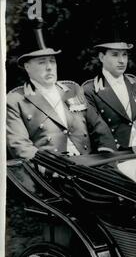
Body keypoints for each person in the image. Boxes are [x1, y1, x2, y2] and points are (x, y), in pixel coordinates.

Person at [7, 19, 116, 160]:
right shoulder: (16, 100)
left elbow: (99, 126)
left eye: (52, 61)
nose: (49, 67)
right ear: (27, 67)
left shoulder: (73, 89)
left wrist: (105, 155)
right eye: (42, 62)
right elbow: (19, 145)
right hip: (51, 172)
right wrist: (50, 167)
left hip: (89, 166)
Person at [82, 26, 136, 151]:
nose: (122, 60)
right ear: (101, 57)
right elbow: (99, 132)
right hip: (113, 155)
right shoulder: (90, 91)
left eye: (124, 55)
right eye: (115, 55)